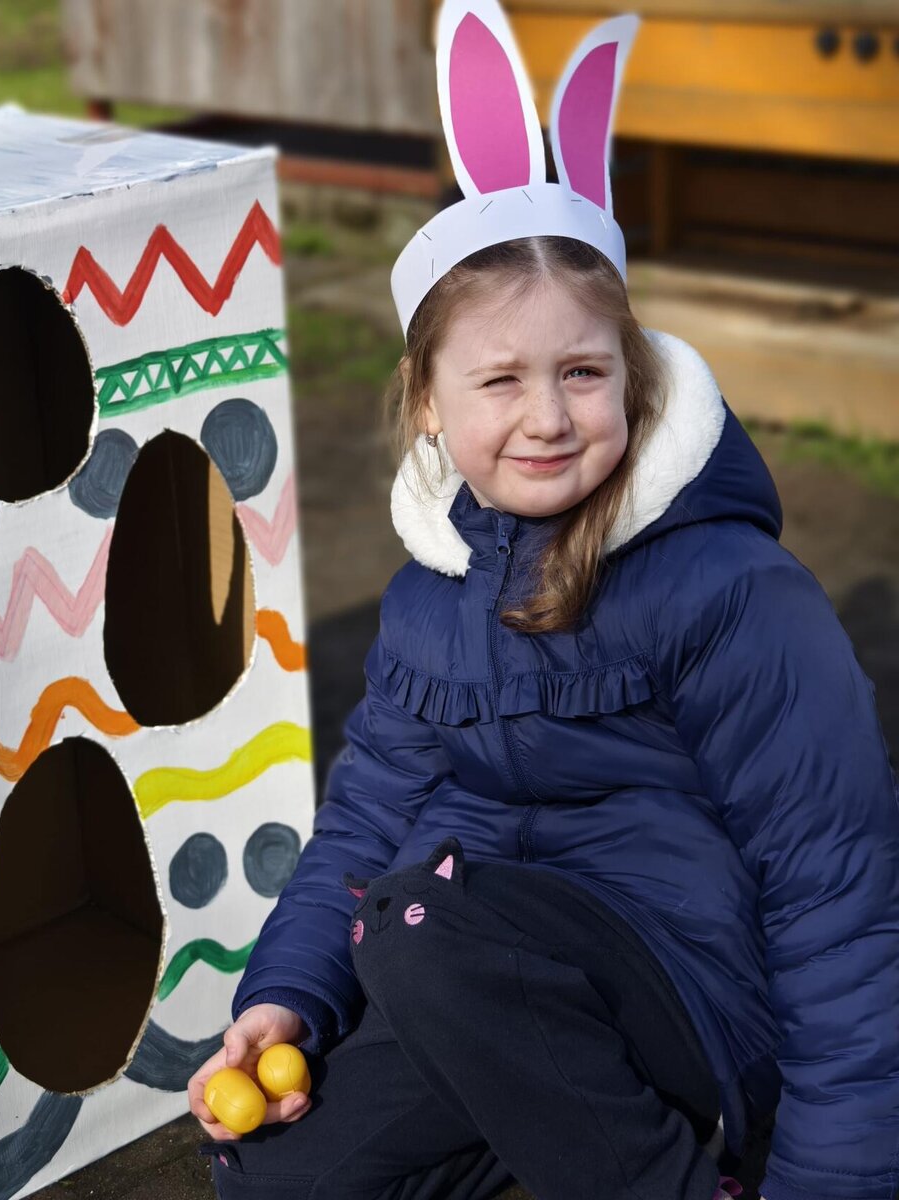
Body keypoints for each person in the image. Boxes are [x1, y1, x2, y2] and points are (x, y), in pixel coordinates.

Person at [187, 5, 899, 1199]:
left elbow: (836, 886)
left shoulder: (727, 588)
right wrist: (286, 995)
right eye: (500, 379)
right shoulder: (428, 601)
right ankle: (562, 1127)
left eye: (582, 371)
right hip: (490, 981)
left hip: (694, 988)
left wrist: (834, 1177)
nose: (549, 417)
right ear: (427, 400)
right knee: (273, 1175)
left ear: (634, 374)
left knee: (422, 925)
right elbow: (364, 825)